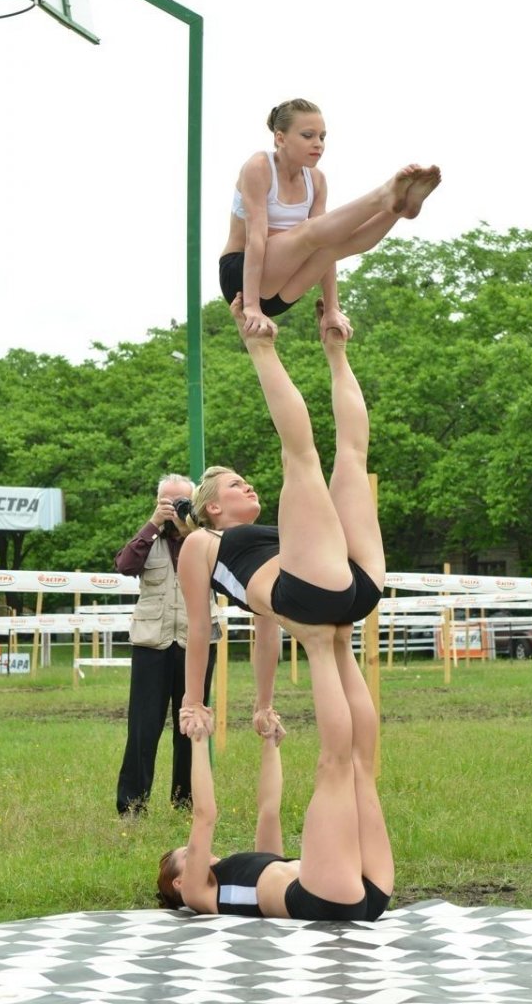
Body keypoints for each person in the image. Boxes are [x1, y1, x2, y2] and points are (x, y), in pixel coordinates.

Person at [176, 294, 386, 738]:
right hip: (318, 593)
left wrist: (264, 703)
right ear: (212, 507)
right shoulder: (202, 543)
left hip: (346, 582)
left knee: (350, 455)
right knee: (303, 455)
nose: (248, 485)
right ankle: (263, 347)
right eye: (235, 485)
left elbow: (267, 629)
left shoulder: (273, 541)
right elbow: (200, 628)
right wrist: (193, 700)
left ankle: (336, 350)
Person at [156, 620, 394, 921]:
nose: (199, 850)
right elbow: (204, 817)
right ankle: (320, 642)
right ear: (180, 882)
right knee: (336, 766)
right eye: (188, 853)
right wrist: (199, 741)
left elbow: (269, 809)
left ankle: (342, 641)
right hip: (323, 899)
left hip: (356, 890)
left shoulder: (250, 868)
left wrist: (270, 742)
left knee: (361, 765)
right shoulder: (198, 892)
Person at [219, 97, 442, 338]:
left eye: (322, 137)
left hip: (279, 296)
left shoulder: (316, 180)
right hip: (241, 280)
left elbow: (328, 241)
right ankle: (381, 197)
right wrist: (251, 306)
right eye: (308, 136)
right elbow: (256, 238)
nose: (318, 144)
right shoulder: (259, 166)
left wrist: (332, 309)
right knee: (308, 233)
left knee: (331, 247)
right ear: (280, 138)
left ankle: (396, 211)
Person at [114, 474, 219, 815]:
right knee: (143, 727)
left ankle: (186, 802)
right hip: (152, 644)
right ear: (157, 502)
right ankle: (132, 806)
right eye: (168, 501)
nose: (175, 508)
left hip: (196, 644)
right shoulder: (149, 539)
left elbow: (227, 576)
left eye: (181, 502)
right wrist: (153, 523)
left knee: (191, 724)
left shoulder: (205, 540)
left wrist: (192, 530)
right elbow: (125, 565)